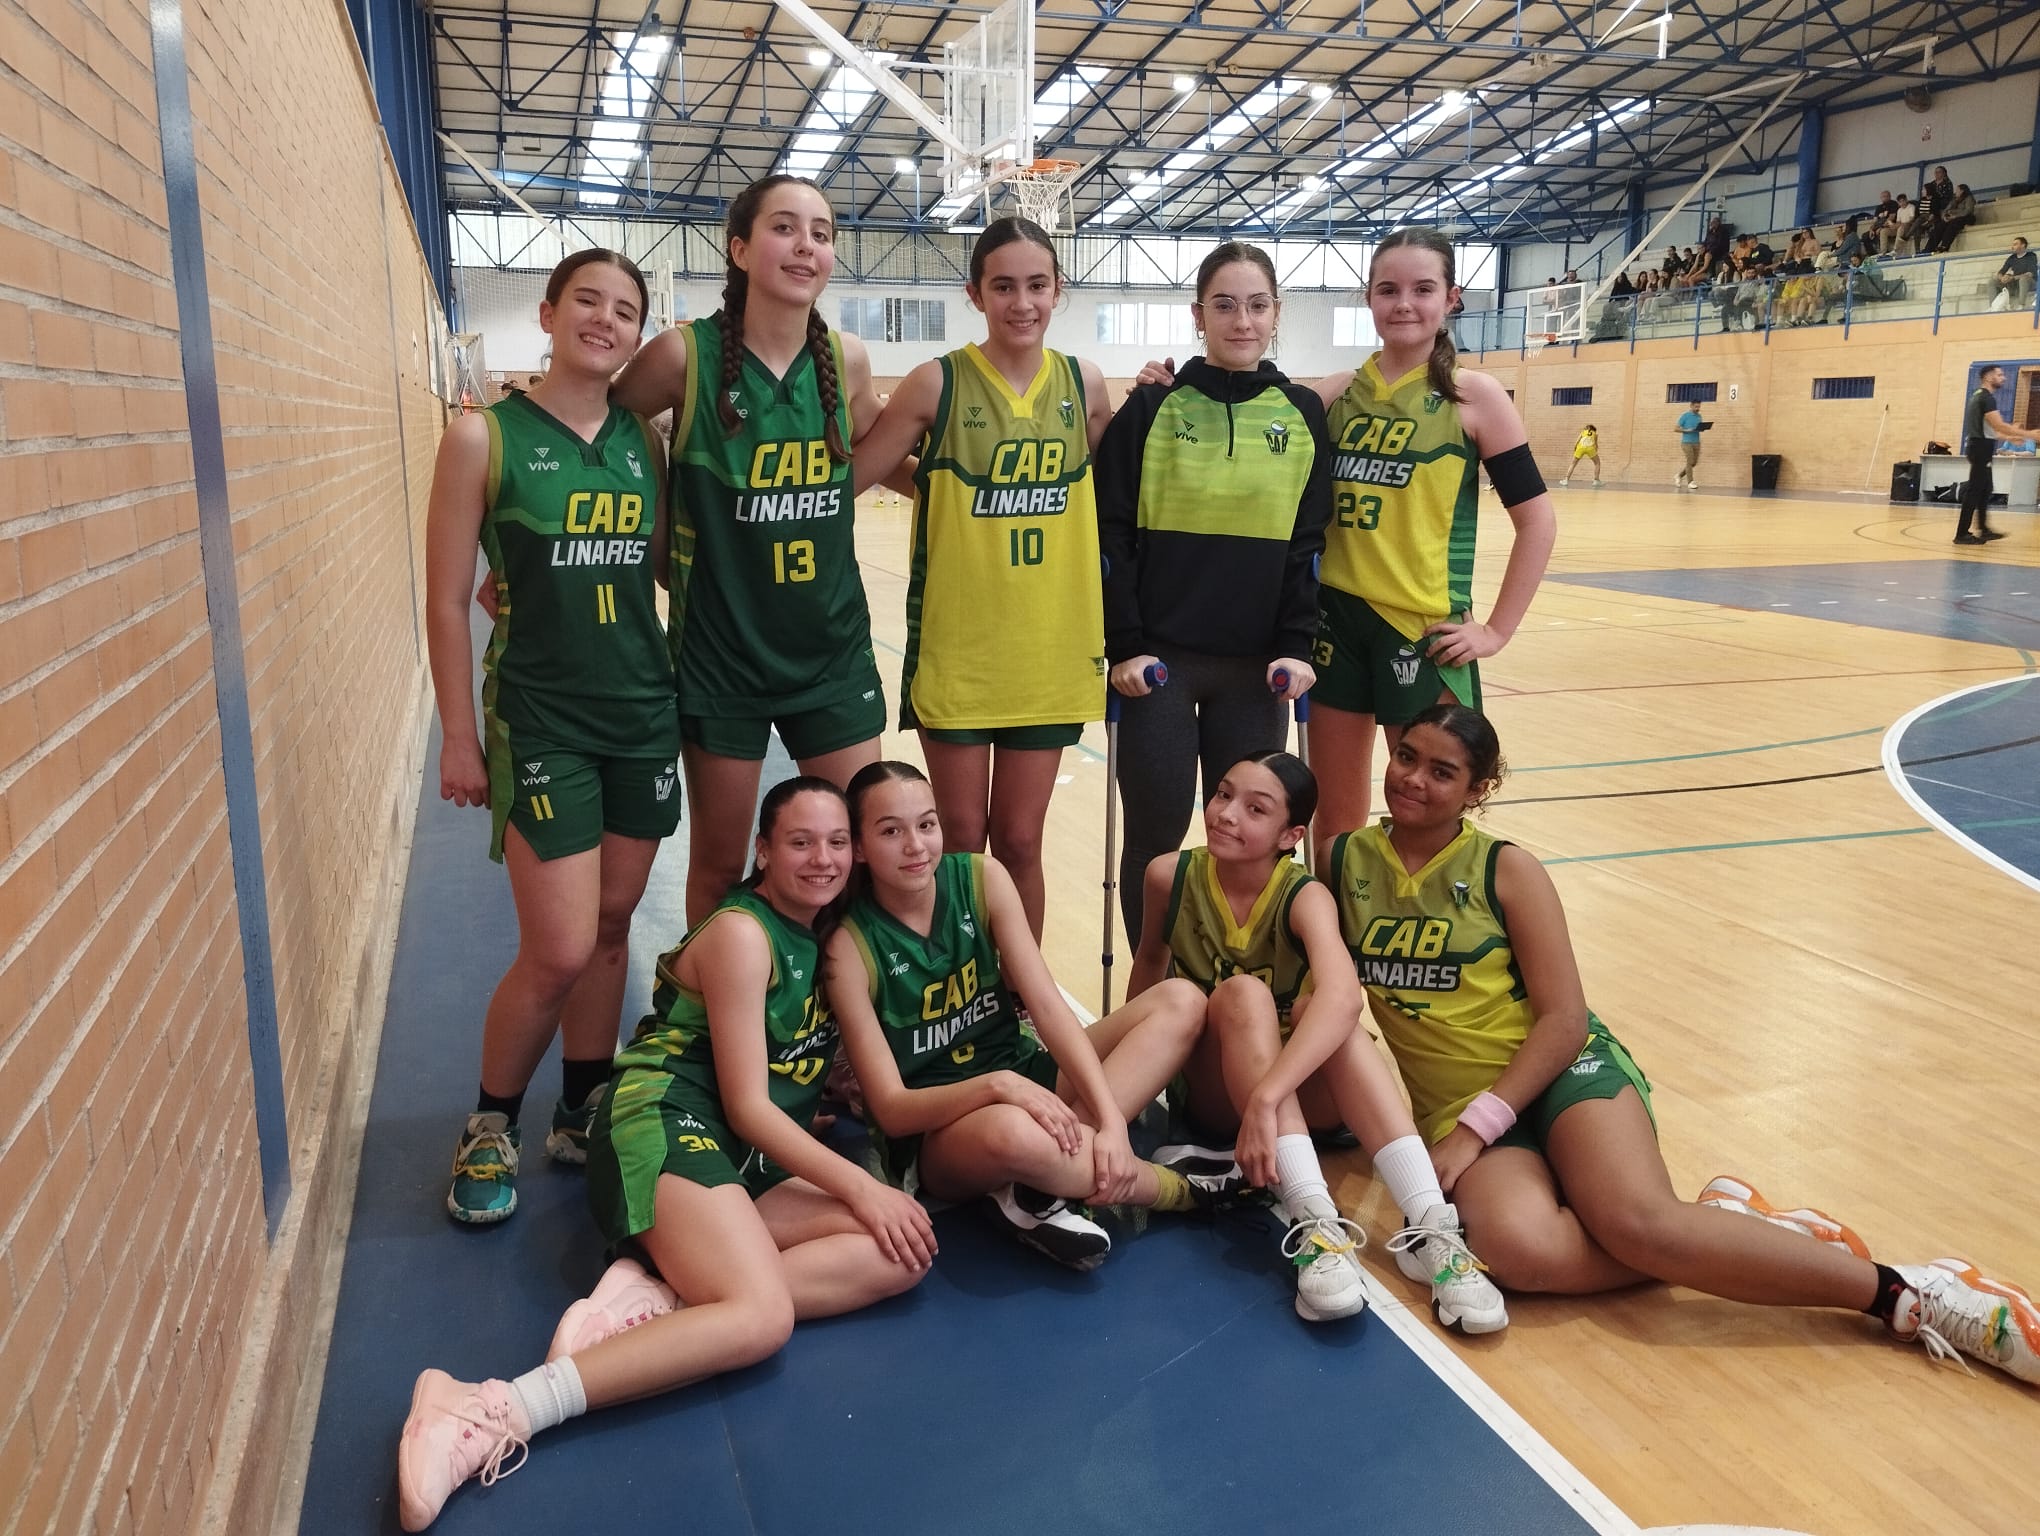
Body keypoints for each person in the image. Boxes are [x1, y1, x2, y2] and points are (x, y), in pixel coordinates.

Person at [1324, 703, 2039, 1388]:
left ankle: (1911, 1294)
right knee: (1517, 1252)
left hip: (1563, 1071)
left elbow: (1564, 1021)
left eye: (1442, 771)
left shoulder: (1506, 869)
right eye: (1406, 757)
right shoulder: (1343, 859)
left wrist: (1476, 1131)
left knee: (1641, 1226)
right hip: (1460, 1101)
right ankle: (1726, 1229)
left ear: (1477, 791)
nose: (1412, 779)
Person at [394, 778, 936, 1531]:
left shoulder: (825, 937)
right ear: (763, 851)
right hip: (662, 1123)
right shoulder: (744, 934)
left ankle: (668, 1301)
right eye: (801, 842)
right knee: (762, 1317)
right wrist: (863, 1185)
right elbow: (747, 1106)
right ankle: (496, 1407)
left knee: (901, 1251)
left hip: (740, 1155)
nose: (823, 858)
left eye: (837, 842)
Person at [1132, 229, 1556, 855]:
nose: (1404, 304)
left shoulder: (1475, 396)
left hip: (1420, 628)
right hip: (1334, 626)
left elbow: (1537, 521)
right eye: (1388, 290)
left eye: (1423, 289)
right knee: (1335, 825)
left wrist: (1496, 630)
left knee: (1428, 814)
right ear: (1368, 298)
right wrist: (1169, 389)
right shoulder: (1332, 395)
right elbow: (1247, 407)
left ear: (1452, 298)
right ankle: (1336, 924)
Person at [424, 249, 679, 1225]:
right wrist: (459, 735)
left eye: (625, 310)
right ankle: (491, 1123)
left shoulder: (641, 440)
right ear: (547, 312)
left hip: (641, 711)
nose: (605, 320)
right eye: (588, 301)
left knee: (612, 928)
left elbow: (655, 566)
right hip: (543, 719)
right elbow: (450, 599)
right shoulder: (481, 437)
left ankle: (581, 1107)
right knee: (561, 946)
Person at [1127, 751, 1508, 1331]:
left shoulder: (1304, 895)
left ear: (1291, 836)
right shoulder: (1169, 876)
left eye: (1256, 809)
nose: (1227, 814)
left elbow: (1343, 998)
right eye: (1224, 794)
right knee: (1243, 996)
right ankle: (1315, 1225)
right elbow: (1148, 968)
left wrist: (1267, 1097)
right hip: (1215, 1092)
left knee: (1333, 1018)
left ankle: (1431, 1228)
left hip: (1292, 1099)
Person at [611, 174, 890, 926]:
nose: (806, 246)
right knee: (718, 863)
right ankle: (712, 994)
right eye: (784, 228)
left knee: (854, 853)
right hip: (720, 654)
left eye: (821, 234)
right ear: (738, 249)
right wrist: (655, 531)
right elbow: (599, 434)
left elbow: (888, 444)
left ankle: (832, 996)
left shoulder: (846, 360)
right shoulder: (683, 357)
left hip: (830, 652)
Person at [826, 761, 1236, 1270]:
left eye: (926, 824)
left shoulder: (981, 876)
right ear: (859, 847)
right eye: (891, 831)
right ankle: (1185, 1189)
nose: (915, 845)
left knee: (1181, 1000)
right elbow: (892, 1109)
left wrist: (1111, 1120)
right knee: (1014, 1131)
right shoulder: (848, 945)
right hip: (945, 1129)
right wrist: (997, 1087)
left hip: (1027, 1073)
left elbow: (1046, 1006)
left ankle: (1038, 1183)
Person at [851, 219, 1113, 940]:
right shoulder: (937, 380)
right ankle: (962, 982)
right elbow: (856, 476)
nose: (1021, 303)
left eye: (1036, 285)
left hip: (1050, 648)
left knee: (1022, 842)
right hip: (960, 647)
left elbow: (1120, 490)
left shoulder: (1085, 384)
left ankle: (1019, 991)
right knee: (961, 840)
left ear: (1058, 289)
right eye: (1003, 286)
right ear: (975, 294)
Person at [1094, 241, 1330, 940]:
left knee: (1249, 842)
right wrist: (1125, 646)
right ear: (1198, 315)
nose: (1242, 321)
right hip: (1160, 668)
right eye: (1224, 306)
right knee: (1155, 838)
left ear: (1276, 313)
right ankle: (1153, 983)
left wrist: (1297, 646)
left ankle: (1234, 975)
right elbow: (1111, 536)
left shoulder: (1302, 412)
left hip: (1257, 672)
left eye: (1257, 305)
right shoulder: (1151, 407)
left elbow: (1307, 545)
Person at [1955, 364, 2040, 544]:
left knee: (1985, 488)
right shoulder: (1986, 398)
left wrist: (2010, 437)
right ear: (1988, 377)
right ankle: (1961, 534)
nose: (2004, 378)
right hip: (1980, 448)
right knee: (1975, 490)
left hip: (1979, 446)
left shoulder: (1977, 396)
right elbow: (1999, 425)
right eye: (1999, 375)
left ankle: (1983, 529)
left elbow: (1989, 430)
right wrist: (2029, 434)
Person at [1990, 237, 2036, 312]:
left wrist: (2012, 278)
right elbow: (2001, 271)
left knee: (2023, 279)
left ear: (2023, 245)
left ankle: (2021, 305)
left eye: (2015, 244)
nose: (2012, 247)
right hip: (2015, 283)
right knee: (1992, 281)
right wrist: (2002, 278)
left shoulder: (2031, 255)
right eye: (2013, 244)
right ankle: (1993, 307)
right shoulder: (2012, 258)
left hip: (2030, 283)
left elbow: (2030, 274)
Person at [1928, 183, 1976, 254]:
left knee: (1953, 224)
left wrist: (1955, 216)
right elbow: (1946, 209)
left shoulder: (1969, 198)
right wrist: (1944, 216)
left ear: (1962, 191)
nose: (1955, 192)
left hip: (1966, 218)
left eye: (1957, 190)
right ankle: (1930, 248)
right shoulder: (1954, 199)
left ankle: (1944, 246)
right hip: (1953, 218)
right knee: (1940, 225)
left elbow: (1967, 211)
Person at [1674, 402, 1704, 491]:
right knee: (1690, 461)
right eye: (1696, 407)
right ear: (1691, 406)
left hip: (1696, 442)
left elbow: (1698, 428)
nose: (1697, 408)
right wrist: (1687, 430)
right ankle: (1690, 482)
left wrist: (1702, 428)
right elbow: (1676, 428)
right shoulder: (1685, 416)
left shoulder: (1699, 416)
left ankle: (1679, 476)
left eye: (1699, 407)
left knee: (1693, 463)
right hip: (1686, 442)